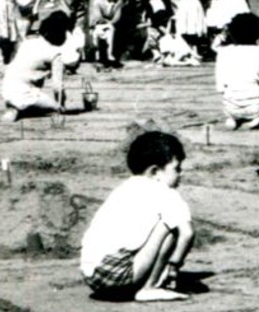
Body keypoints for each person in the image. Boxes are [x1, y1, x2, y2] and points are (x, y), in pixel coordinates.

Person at [79, 130, 195, 303]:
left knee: (159, 225)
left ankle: (143, 283)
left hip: (92, 276)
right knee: (171, 227)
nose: (181, 174)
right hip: (117, 276)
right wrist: (174, 267)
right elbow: (188, 234)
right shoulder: (166, 193)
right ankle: (150, 287)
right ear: (155, 171)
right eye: (177, 169)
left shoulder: (124, 188)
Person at [0, 10, 90, 123]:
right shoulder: (55, 54)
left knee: (35, 103)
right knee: (55, 109)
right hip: (25, 92)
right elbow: (58, 87)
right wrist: (60, 105)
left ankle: (17, 106)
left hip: (7, 88)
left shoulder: (28, 42)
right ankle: (19, 108)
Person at [216, 12, 259, 129]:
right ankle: (256, 119)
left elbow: (220, 87)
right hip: (254, 106)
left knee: (232, 102)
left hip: (230, 105)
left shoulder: (223, 52)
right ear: (258, 33)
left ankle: (233, 119)